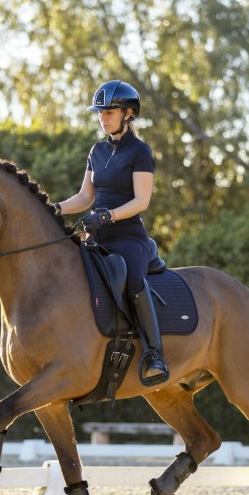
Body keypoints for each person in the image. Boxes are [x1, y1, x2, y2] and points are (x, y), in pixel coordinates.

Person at [53, 79, 169, 386]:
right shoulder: (97, 151)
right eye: (100, 112)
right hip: (97, 235)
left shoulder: (140, 152)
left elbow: (142, 201)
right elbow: (84, 198)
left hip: (128, 236)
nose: (103, 117)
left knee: (132, 279)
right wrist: (53, 208)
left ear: (128, 113)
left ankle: (155, 354)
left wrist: (109, 215)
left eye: (110, 111)